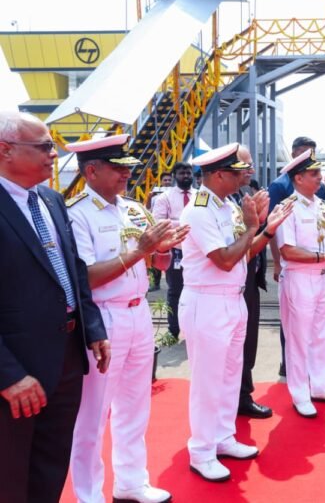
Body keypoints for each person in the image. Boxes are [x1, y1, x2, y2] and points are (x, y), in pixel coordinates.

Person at [66, 134, 188, 503]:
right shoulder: (77, 214)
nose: (126, 174)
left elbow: (156, 262)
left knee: (135, 405)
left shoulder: (133, 209)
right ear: (91, 171)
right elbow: (86, 277)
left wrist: (163, 252)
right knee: (93, 414)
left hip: (138, 314)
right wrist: (140, 250)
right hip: (104, 318)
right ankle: (89, 494)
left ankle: (132, 482)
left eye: (127, 167)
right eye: (117, 167)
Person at [0, 111, 110, 503]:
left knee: (50, 464)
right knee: (10, 474)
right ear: (5, 150)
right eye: (45, 147)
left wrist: (92, 328)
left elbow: (73, 270)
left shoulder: (51, 199)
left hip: (66, 358)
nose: (54, 155)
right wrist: (9, 375)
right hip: (17, 368)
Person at [179, 143, 293, 481]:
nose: (245, 176)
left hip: (233, 298)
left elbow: (245, 253)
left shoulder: (227, 205)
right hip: (207, 302)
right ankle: (202, 451)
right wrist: (251, 226)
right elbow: (225, 259)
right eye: (237, 172)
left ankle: (223, 437)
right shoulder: (199, 210)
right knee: (208, 382)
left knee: (230, 375)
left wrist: (266, 228)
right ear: (218, 175)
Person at [276, 149, 325, 417]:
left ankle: (320, 386)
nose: (320, 177)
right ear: (298, 178)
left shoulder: (320, 205)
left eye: (319, 172)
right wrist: (323, 256)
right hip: (299, 279)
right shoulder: (287, 208)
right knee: (298, 339)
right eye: (314, 173)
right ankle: (300, 393)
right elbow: (287, 250)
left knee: (320, 335)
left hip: (321, 278)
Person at [268, 136, 325, 376]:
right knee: (296, 331)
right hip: (298, 271)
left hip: (320, 271)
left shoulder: (319, 196)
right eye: (304, 154)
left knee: (319, 330)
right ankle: (291, 369)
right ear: (294, 155)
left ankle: (319, 377)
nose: (319, 176)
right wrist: (277, 263)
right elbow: (273, 230)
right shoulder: (280, 187)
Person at [232, 148, 273, 420]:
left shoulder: (240, 197)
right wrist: (261, 227)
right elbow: (237, 246)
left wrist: (262, 223)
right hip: (232, 282)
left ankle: (243, 395)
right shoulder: (221, 203)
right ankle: (237, 398)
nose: (252, 170)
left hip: (248, 278)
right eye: (245, 165)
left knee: (247, 342)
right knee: (236, 346)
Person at [152, 161, 196, 339]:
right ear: (174, 176)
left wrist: (176, 222)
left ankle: (192, 329)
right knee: (175, 291)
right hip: (175, 250)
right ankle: (173, 330)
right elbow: (158, 222)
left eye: (188, 173)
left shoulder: (200, 196)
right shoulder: (165, 197)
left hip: (197, 251)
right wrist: (188, 223)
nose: (186, 176)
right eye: (182, 173)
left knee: (196, 291)